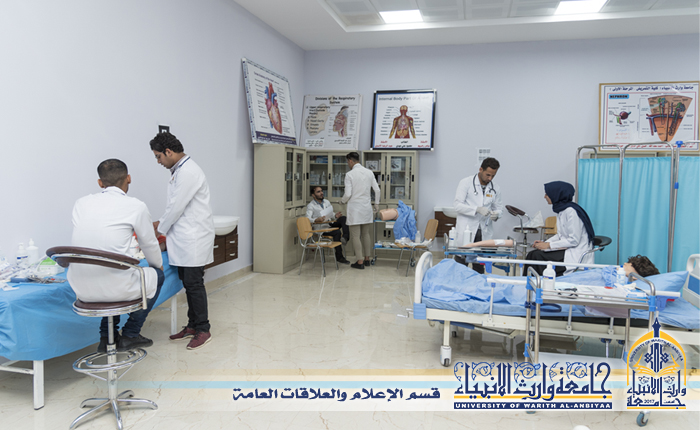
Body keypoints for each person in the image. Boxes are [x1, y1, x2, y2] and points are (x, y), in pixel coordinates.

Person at [67, 159, 164, 353]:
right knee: (157, 275)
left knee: (109, 273)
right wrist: (157, 266)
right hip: (115, 285)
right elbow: (149, 243)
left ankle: (106, 337)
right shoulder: (135, 206)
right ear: (129, 178)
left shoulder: (81, 203)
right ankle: (131, 334)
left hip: (81, 287)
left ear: (100, 183)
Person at [150, 131, 215, 350]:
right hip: (185, 238)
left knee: (194, 285)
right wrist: (161, 225)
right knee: (188, 284)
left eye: (159, 156)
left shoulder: (188, 171)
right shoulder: (180, 170)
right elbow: (175, 207)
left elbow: (176, 207)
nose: (158, 161)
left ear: (168, 152)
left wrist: (159, 228)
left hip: (194, 238)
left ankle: (203, 329)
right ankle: (192, 325)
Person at [523, 181, 595, 277]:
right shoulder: (561, 210)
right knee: (533, 254)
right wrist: (544, 243)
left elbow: (574, 240)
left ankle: (541, 283)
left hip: (575, 253)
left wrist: (548, 245)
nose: (545, 197)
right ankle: (528, 282)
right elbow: (560, 235)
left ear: (556, 194)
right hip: (567, 249)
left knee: (536, 256)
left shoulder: (571, 211)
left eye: (547, 194)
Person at [453, 157, 503, 273]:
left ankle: (478, 283)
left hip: (484, 230)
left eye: (493, 176)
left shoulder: (495, 188)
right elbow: (457, 205)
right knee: (461, 264)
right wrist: (476, 209)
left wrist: (497, 214)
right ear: (481, 169)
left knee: (479, 265)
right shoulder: (466, 183)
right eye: (488, 175)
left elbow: (499, 208)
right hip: (467, 228)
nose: (490, 178)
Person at [341, 152, 380, 269]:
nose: (348, 164)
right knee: (366, 234)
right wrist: (376, 204)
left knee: (355, 236)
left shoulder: (349, 175)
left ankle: (359, 261)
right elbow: (377, 190)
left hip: (355, 209)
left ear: (350, 161)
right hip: (366, 208)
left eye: (348, 162)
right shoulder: (369, 172)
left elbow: (348, 194)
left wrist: (342, 201)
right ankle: (367, 259)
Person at [306, 186, 350, 264]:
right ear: (313, 195)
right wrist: (316, 220)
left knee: (343, 218)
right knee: (337, 232)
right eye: (318, 192)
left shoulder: (326, 202)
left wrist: (335, 215)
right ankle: (339, 257)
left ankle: (345, 237)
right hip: (321, 228)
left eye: (321, 191)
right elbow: (307, 218)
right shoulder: (311, 205)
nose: (321, 193)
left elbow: (330, 214)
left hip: (329, 224)